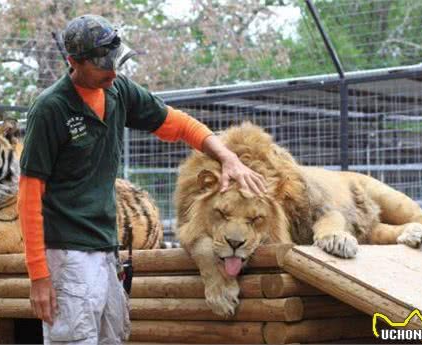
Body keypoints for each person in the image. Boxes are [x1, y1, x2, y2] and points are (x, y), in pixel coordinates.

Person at [18, 14, 266, 345]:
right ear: (73, 62)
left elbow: (177, 123)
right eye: (102, 64)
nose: (113, 71)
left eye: (115, 61)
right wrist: (39, 276)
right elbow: (29, 196)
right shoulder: (51, 109)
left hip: (106, 245)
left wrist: (227, 156)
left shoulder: (118, 90)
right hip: (67, 252)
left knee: (114, 336)